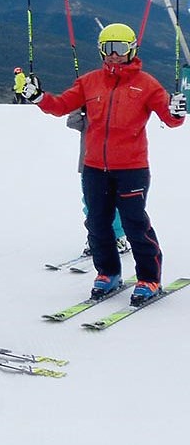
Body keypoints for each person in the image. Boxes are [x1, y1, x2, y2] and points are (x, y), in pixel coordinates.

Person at [22, 22, 186, 305]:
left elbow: (170, 119)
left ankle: (149, 278)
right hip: (95, 167)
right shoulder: (89, 81)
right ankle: (107, 273)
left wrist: (177, 112)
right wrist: (38, 97)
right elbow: (61, 105)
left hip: (132, 169)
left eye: (120, 48)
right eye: (108, 49)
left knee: (135, 223)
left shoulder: (146, 84)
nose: (114, 55)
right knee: (97, 223)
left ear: (131, 49)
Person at [66, 108, 128, 257]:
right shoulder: (87, 113)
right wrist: (79, 106)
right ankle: (96, 236)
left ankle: (119, 237)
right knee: (90, 204)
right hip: (89, 165)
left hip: (114, 164)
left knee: (113, 203)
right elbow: (71, 122)